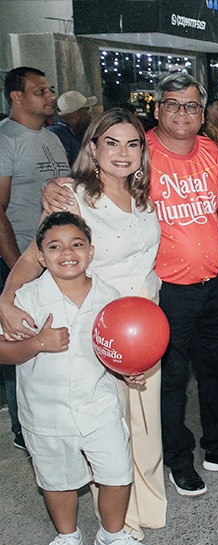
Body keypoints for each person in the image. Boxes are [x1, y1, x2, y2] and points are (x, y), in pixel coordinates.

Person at [41, 74, 218, 498]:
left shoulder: (213, 150)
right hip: (165, 289)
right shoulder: (140, 152)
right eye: (172, 104)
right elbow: (97, 181)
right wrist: (57, 185)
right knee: (169, 380)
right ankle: (178, 458)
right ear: (157, 110)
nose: (182, 112)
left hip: (215, 282)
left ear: (202, 113)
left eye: (191, 105)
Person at [0, 108, 166, 540]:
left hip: (145, 323)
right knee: (108, 423)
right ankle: (120, 520)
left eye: (133, 144)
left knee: (146, 421)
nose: (122, 153)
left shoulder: (144, 196)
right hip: (98, 324)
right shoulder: (71, 196)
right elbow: (36, 255)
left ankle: (148, 503)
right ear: (92, 147)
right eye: (111, 143)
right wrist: (5, 298)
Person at [0, 212, 157, 545]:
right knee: (57, 480)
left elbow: (113, 350)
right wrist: (37, 344)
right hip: (46, 411)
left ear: (91, 251)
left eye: (77, 244)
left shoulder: (109, 296)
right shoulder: (27, 298)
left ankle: (112, 536)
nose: (67, 253)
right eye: (54, 247)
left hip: (98, 406)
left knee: (117, 472)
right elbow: (3, 350)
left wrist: (128, 372)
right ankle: (67, 535)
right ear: (41, 257)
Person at [0, 66, 70, 452]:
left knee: (50, 340)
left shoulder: (53, 137)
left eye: (49, 89)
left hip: (55, 263)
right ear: (16, 97)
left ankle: (53, 421)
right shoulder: (5, 139)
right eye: (40, 90)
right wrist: (17, 267)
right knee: (19, 340)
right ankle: (22, 430)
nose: (50, 96)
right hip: (19, 260)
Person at [47, 90, 96, 165]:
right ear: (78, 114)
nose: (91, 114)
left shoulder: (80, 131)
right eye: (87, 110)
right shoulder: (56, 134)